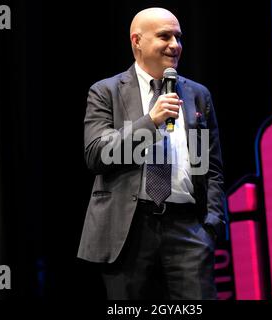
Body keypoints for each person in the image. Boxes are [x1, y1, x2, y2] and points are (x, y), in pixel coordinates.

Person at [78, 7, 226, 300]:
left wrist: (211, 224)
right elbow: (97, 155)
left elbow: (208, 167)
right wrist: (151, 121)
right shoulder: (106, 92)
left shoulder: (197, 95)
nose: (175, 45)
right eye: (164, 36)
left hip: (188, 230)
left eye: (179, 37)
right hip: (129, 229)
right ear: (137, 41)